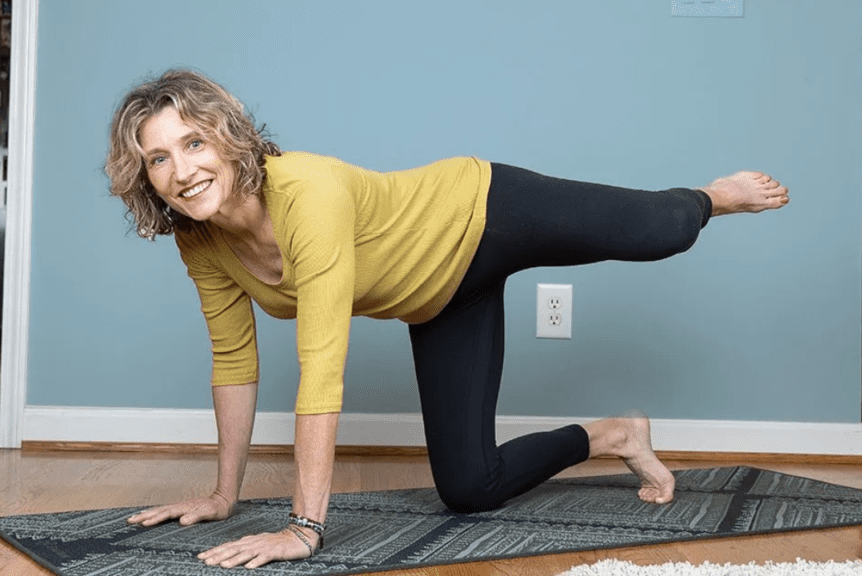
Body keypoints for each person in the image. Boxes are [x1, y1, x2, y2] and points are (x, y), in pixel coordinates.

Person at [104, 69, 789, 569]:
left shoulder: (305, 193)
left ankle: (709, 196)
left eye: (194, 143)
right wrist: (225, 496)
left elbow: (321, 370)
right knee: (469, 490)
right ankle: (614, 434)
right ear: (145, 178)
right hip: (440, 298)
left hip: (482, 211)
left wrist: (304, 528)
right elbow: (234, 364)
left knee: (658, 231)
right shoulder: (199, 242)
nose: (180, 170)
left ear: (227, 140)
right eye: (158, 158)